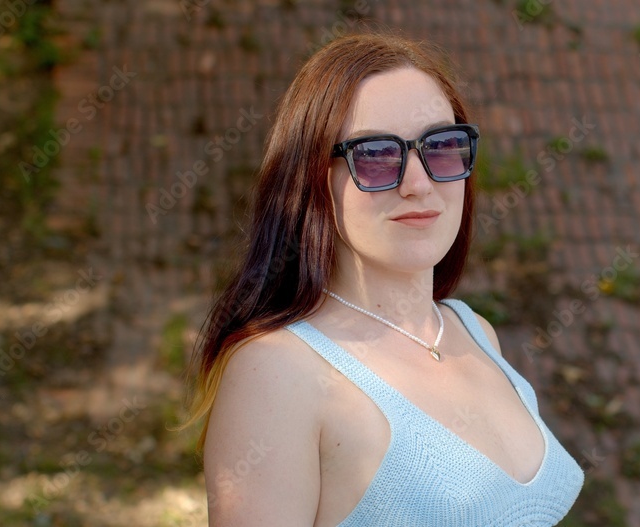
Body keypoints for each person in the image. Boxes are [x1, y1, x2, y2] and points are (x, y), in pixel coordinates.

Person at [183, 33, 584, 526]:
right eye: (375, 154)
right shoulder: (275, 372)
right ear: (310, 177)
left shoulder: (474, 331)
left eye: (442, 146)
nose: (418, 183)